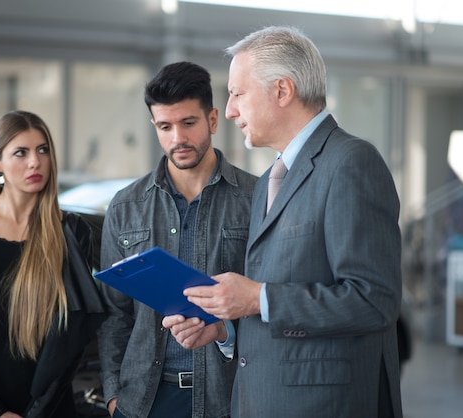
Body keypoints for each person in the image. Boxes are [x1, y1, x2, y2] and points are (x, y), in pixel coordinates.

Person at [163, 26, 404, 418]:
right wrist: (224, 329)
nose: (229, 111)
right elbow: (277, 307)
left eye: (238, 93)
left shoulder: (351, 162)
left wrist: (256, 297)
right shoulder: (272, 179)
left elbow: (373, 300)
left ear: (282, 91)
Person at [96, 61, 258, 418]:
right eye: (165, 127)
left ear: (213, 120)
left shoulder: (256, 199)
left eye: (188, 123)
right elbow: (114, 314)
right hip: (143, 403)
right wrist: (113, 397)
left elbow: (269, 298)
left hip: (227, 400)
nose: (177, 139)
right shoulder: (126, 206)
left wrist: (224, 330)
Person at [0, 110, 105, 418]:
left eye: (43, 150)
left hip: (49, 407)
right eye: (21, 152)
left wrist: (36, 413)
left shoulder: (71, 230)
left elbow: (73, 338)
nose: (35, 162)